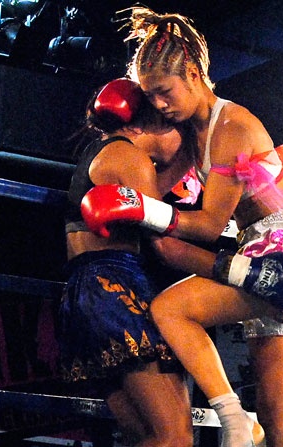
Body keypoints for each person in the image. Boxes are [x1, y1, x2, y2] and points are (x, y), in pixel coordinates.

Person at [81, 7, 283, 447]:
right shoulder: (193, 135)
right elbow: (161, 190)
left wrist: (140, 208)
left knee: (171, 309)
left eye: (164, 92)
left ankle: (233, 419)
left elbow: (210, 225)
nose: (159, 104)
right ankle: (246, 423)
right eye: (150, 96)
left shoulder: (231, 126)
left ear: (193, 73)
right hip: (261, 250)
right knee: (277, 415)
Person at [58, 78, 195, 447]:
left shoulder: (106, 152)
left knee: (146, 437)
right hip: (114, 288)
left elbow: (148, 198)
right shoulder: (130, 158)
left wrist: (188, 157)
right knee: (175, 438)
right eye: (173, 125)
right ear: (147, 125)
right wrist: (236, 269)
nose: (180, 132)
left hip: (86, 294)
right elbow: (166, 246)